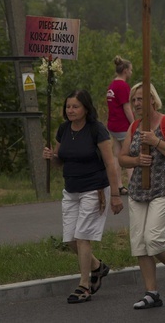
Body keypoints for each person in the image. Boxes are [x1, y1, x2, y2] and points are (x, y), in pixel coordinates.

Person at [43, 90, 124, 304]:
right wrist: (51, 157)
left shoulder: (96, 130)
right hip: (71, 190)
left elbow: (110, 163)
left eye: (75, 106)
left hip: (94, 189)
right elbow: (60, 160)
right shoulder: (63, 129)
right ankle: (98, 267)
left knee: (82, 237)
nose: (70, 110)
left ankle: (84, 285)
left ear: (86, 108)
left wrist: (115, 194)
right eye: (68, 106)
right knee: (70, 240)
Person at [117, 82, 165, 309]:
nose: (137, 104)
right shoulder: (134, 127)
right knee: (139, 243)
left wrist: (156, 142)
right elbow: (122, 158)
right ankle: (151, 292)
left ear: (152, 100)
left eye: (140, 99)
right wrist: (137, 160)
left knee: (154, 240)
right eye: (134, 100)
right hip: (139, 189)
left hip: (163, 187)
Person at [106, 55, 134, 195]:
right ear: (125, 71)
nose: (131, 73)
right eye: (131, 70)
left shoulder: (112, 85)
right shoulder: (123, 86)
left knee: (117, 155)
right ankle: (133, 184)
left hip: (113, 124)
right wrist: (134, 123)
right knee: (128, 154)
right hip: (122, 126)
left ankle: (118, 185)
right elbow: (126, 107)